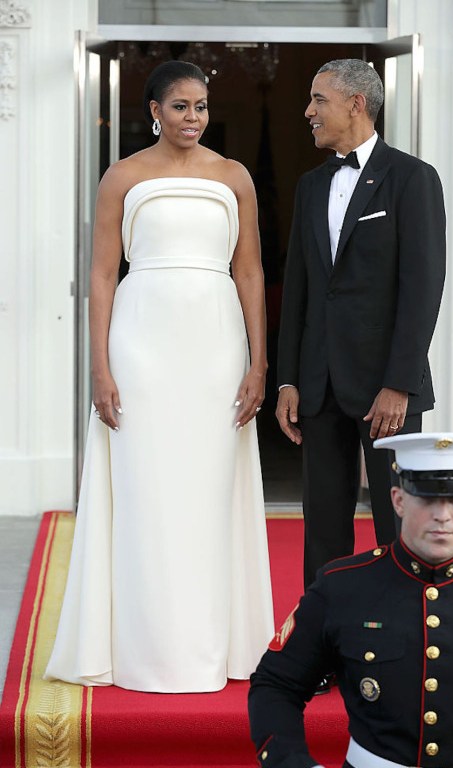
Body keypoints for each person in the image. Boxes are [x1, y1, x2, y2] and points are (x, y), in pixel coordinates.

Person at [44, 60, 274, 692]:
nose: (193, 118)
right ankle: (141, 649)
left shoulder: (234, 177)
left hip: (215, 347)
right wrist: (100, 364)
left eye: (200, 106)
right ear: (154, 110)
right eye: (180, 106)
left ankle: (216, 647)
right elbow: (100, 275)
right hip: (141, 344)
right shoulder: (123, 175)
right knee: (146, 490)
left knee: (207, 490)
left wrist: (258, 361)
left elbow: (250, 272)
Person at [248, 432, 453, 768]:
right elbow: (276, 685)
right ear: (398, 500)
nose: (442, 515)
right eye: (426, 500)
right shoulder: (342, 588)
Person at [275, 59, 446, 591]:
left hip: (386, 391)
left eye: (318, 99)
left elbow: (423, 289)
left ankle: (404, 641)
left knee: (400, 525)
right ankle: (321, 645)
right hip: (320, 386)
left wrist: (399, 384)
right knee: (323, 527)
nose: (308, 112)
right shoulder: (309, 186)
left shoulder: (413, 178)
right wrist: (288, 380)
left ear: (356, 103)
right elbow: (300, 291)